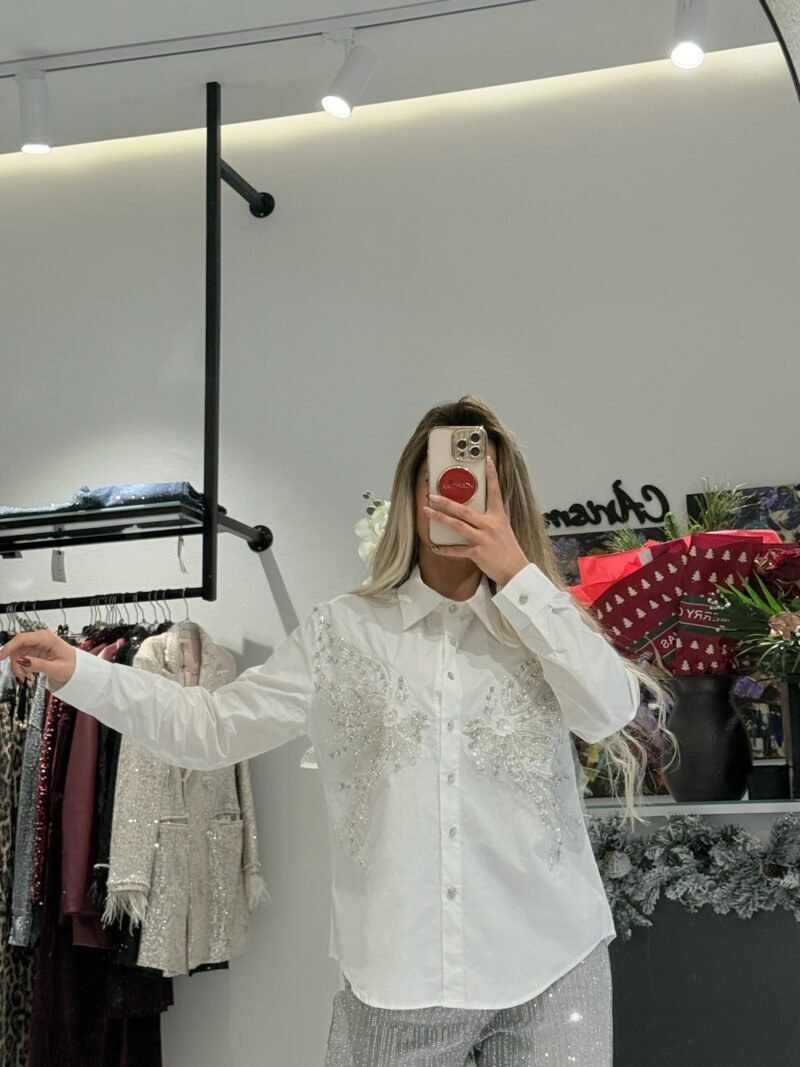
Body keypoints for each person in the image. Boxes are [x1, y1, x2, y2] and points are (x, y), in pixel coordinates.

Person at [0, 396, 666, 1066]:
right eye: (440, 476)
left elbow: (609, 712)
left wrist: (518, 574)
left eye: (478, 482)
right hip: (398, 979)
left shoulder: (541, 624)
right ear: (411, 493)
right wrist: (82, 673)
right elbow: (212, 727)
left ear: (507, 499)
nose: (456, 494)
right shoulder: (342, 632)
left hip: (553, 966)